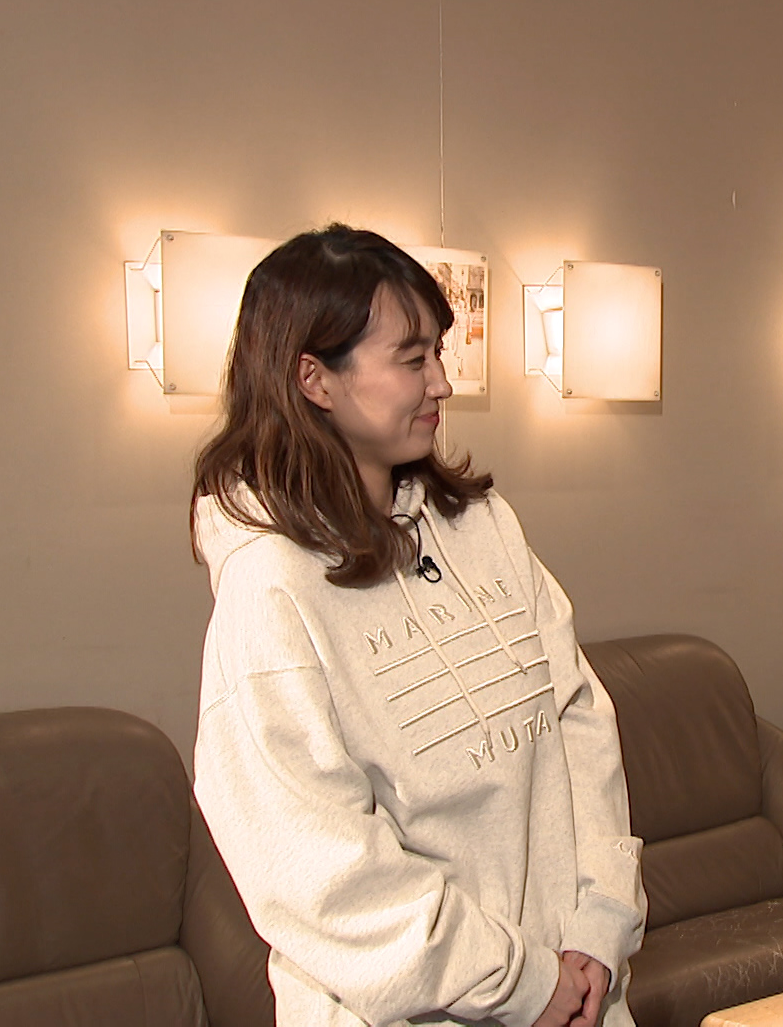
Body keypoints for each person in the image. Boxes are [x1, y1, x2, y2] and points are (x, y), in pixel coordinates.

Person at [190, 225, 644, 1027]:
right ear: (314, 379)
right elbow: (319, 872)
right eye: (411, 359)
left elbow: (578, 719)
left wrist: (599, 926)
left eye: (439, 351)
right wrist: (519, 983)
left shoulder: (481, 524)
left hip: (577, 991)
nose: (442, 382)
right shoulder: (270, 590)